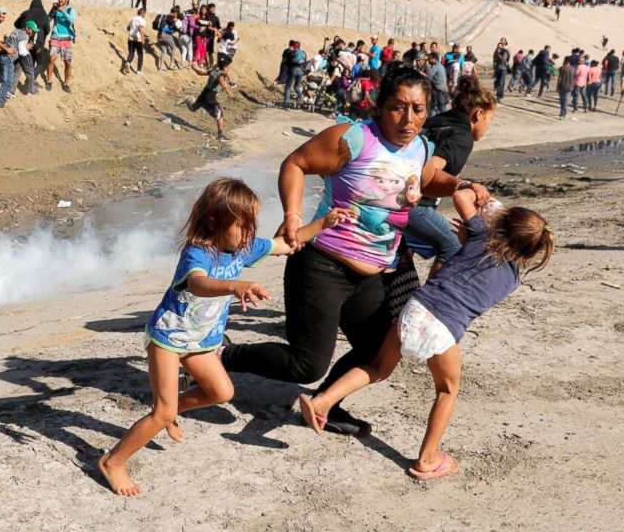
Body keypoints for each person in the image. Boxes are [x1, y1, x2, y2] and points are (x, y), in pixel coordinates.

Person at [221, 67, 491, 437]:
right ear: (379, 106)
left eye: (418, 109)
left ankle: (326, 404)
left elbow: (427, 180)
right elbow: (296, 164)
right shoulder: (354, 138)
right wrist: (293, 216)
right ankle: (220, 357)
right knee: (305, 365)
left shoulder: (420, 148)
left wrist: (461, 183)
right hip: (321, 264)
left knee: (378, 351)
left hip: (375, 272)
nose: (408, 119)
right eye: (398, 107)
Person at [97, 177, 356, 496]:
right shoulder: (199, 253)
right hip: (169, 338)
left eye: (252, 227)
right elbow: (197, 284)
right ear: (213, 222)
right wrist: (235, 286)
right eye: (242, 227)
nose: (249, 235)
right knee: (162, 411)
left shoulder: (243, 249)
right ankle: (113, 461)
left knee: (221, 392)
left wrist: (325, 223)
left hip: (200, 341)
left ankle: (171, 410)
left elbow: (287, 244)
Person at [299, 191, 553, 481]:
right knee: (447, 391)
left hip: (415, 308)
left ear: (502, 222)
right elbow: (477, 277)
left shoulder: (480, 234)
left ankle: (322, 402)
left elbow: (460, 196)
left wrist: (487, 202)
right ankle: (428, 459)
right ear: (533, 253)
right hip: (444, 327)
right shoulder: (511, 278)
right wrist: (479, 233)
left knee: (378, 368)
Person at [406, 75, 497, 273]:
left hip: (390, 194)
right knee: (453, 246)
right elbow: (429, 168)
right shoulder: (462, 137)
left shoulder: (436, 121)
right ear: (478, 114)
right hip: (413, 204)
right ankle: (432, 301)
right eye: (490, 120)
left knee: (403, 256)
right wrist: (463, 185)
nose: (488, 126)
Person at [185, 53, 236, 143]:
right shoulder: (222, 74)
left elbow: (201, 72)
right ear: (225, 66)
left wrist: (195, 69)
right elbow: (221, 81)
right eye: (228, 67)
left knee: (193, 109)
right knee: (220, 115)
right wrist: (228, 90)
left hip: (204, 94)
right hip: (210, 98)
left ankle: (188, 101)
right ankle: (220, 135)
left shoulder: (213, 70)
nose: (229, 69)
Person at [15, 0, 51, 87]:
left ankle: (29, 81)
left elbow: (16, 24)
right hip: (38, 43)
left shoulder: (26, 13)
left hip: (26, 42)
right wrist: (43, 35)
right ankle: (31, 80)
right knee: (42, 61)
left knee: (30, 61)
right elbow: (47, 29)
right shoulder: (44, 14)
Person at [46, 0, 76, 93]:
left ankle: (66, 83)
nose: (59, 0)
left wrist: (63, 11)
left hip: (66, 39)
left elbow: (71, 20)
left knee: (68, 63)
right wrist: (52, 10)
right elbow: (47, 20)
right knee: (51, 59)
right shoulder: (56, 10)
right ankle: (49, 81)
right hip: (55, 38)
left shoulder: (70, 10)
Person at [9, 21, 40, 97]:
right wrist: (27, 53)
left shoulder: (16, 31)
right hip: (17, 55)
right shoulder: (25, 36)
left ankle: (10, 91)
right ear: (27, 28)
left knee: (18, 69)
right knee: (30, 71)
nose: (33, 33)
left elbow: (16, 44)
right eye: (33, 30)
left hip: (10, 55)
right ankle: (31, 90)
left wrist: (24, 47)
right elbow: (22, 51)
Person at [123, 7, 148, 75]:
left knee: (131, 53)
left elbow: (128, 28)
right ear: (143, 13)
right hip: (138, 39)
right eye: (145, 13)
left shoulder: (133, 18)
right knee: (140, 55)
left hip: (130, 38)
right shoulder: (142, 20)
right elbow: (140, 28)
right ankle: (139, 71)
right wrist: (143, 39)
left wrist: (132, 30)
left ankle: (128, 62)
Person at [283, 41, 307, 109]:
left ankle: (286, 105)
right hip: (301, 71)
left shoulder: (292, 52)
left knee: (288, 87)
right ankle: (301, 95)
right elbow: (305, 62)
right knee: (296, 86)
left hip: (293, 70)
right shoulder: (303, 53)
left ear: (294, 46)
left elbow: (287, 61)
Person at [425, 52, 449, 117]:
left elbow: (429, 76)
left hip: (439, 89)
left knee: (440, 107)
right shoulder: (440, 66)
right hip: (441, 89)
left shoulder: (436, 66)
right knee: (435, 106)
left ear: (434, 59)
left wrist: (423, 71)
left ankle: (447, 119)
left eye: (429, 59)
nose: (428, 61)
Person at [556, 56, 574, 120]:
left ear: (566, 60)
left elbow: (559, 78)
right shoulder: (573, 69)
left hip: (562, 86)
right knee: (565, 101)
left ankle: (562, 114)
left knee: (562, 101)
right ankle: (563, 114)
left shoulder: (562, 68)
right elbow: (574, 79)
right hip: (569, 87)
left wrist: (557, 87)